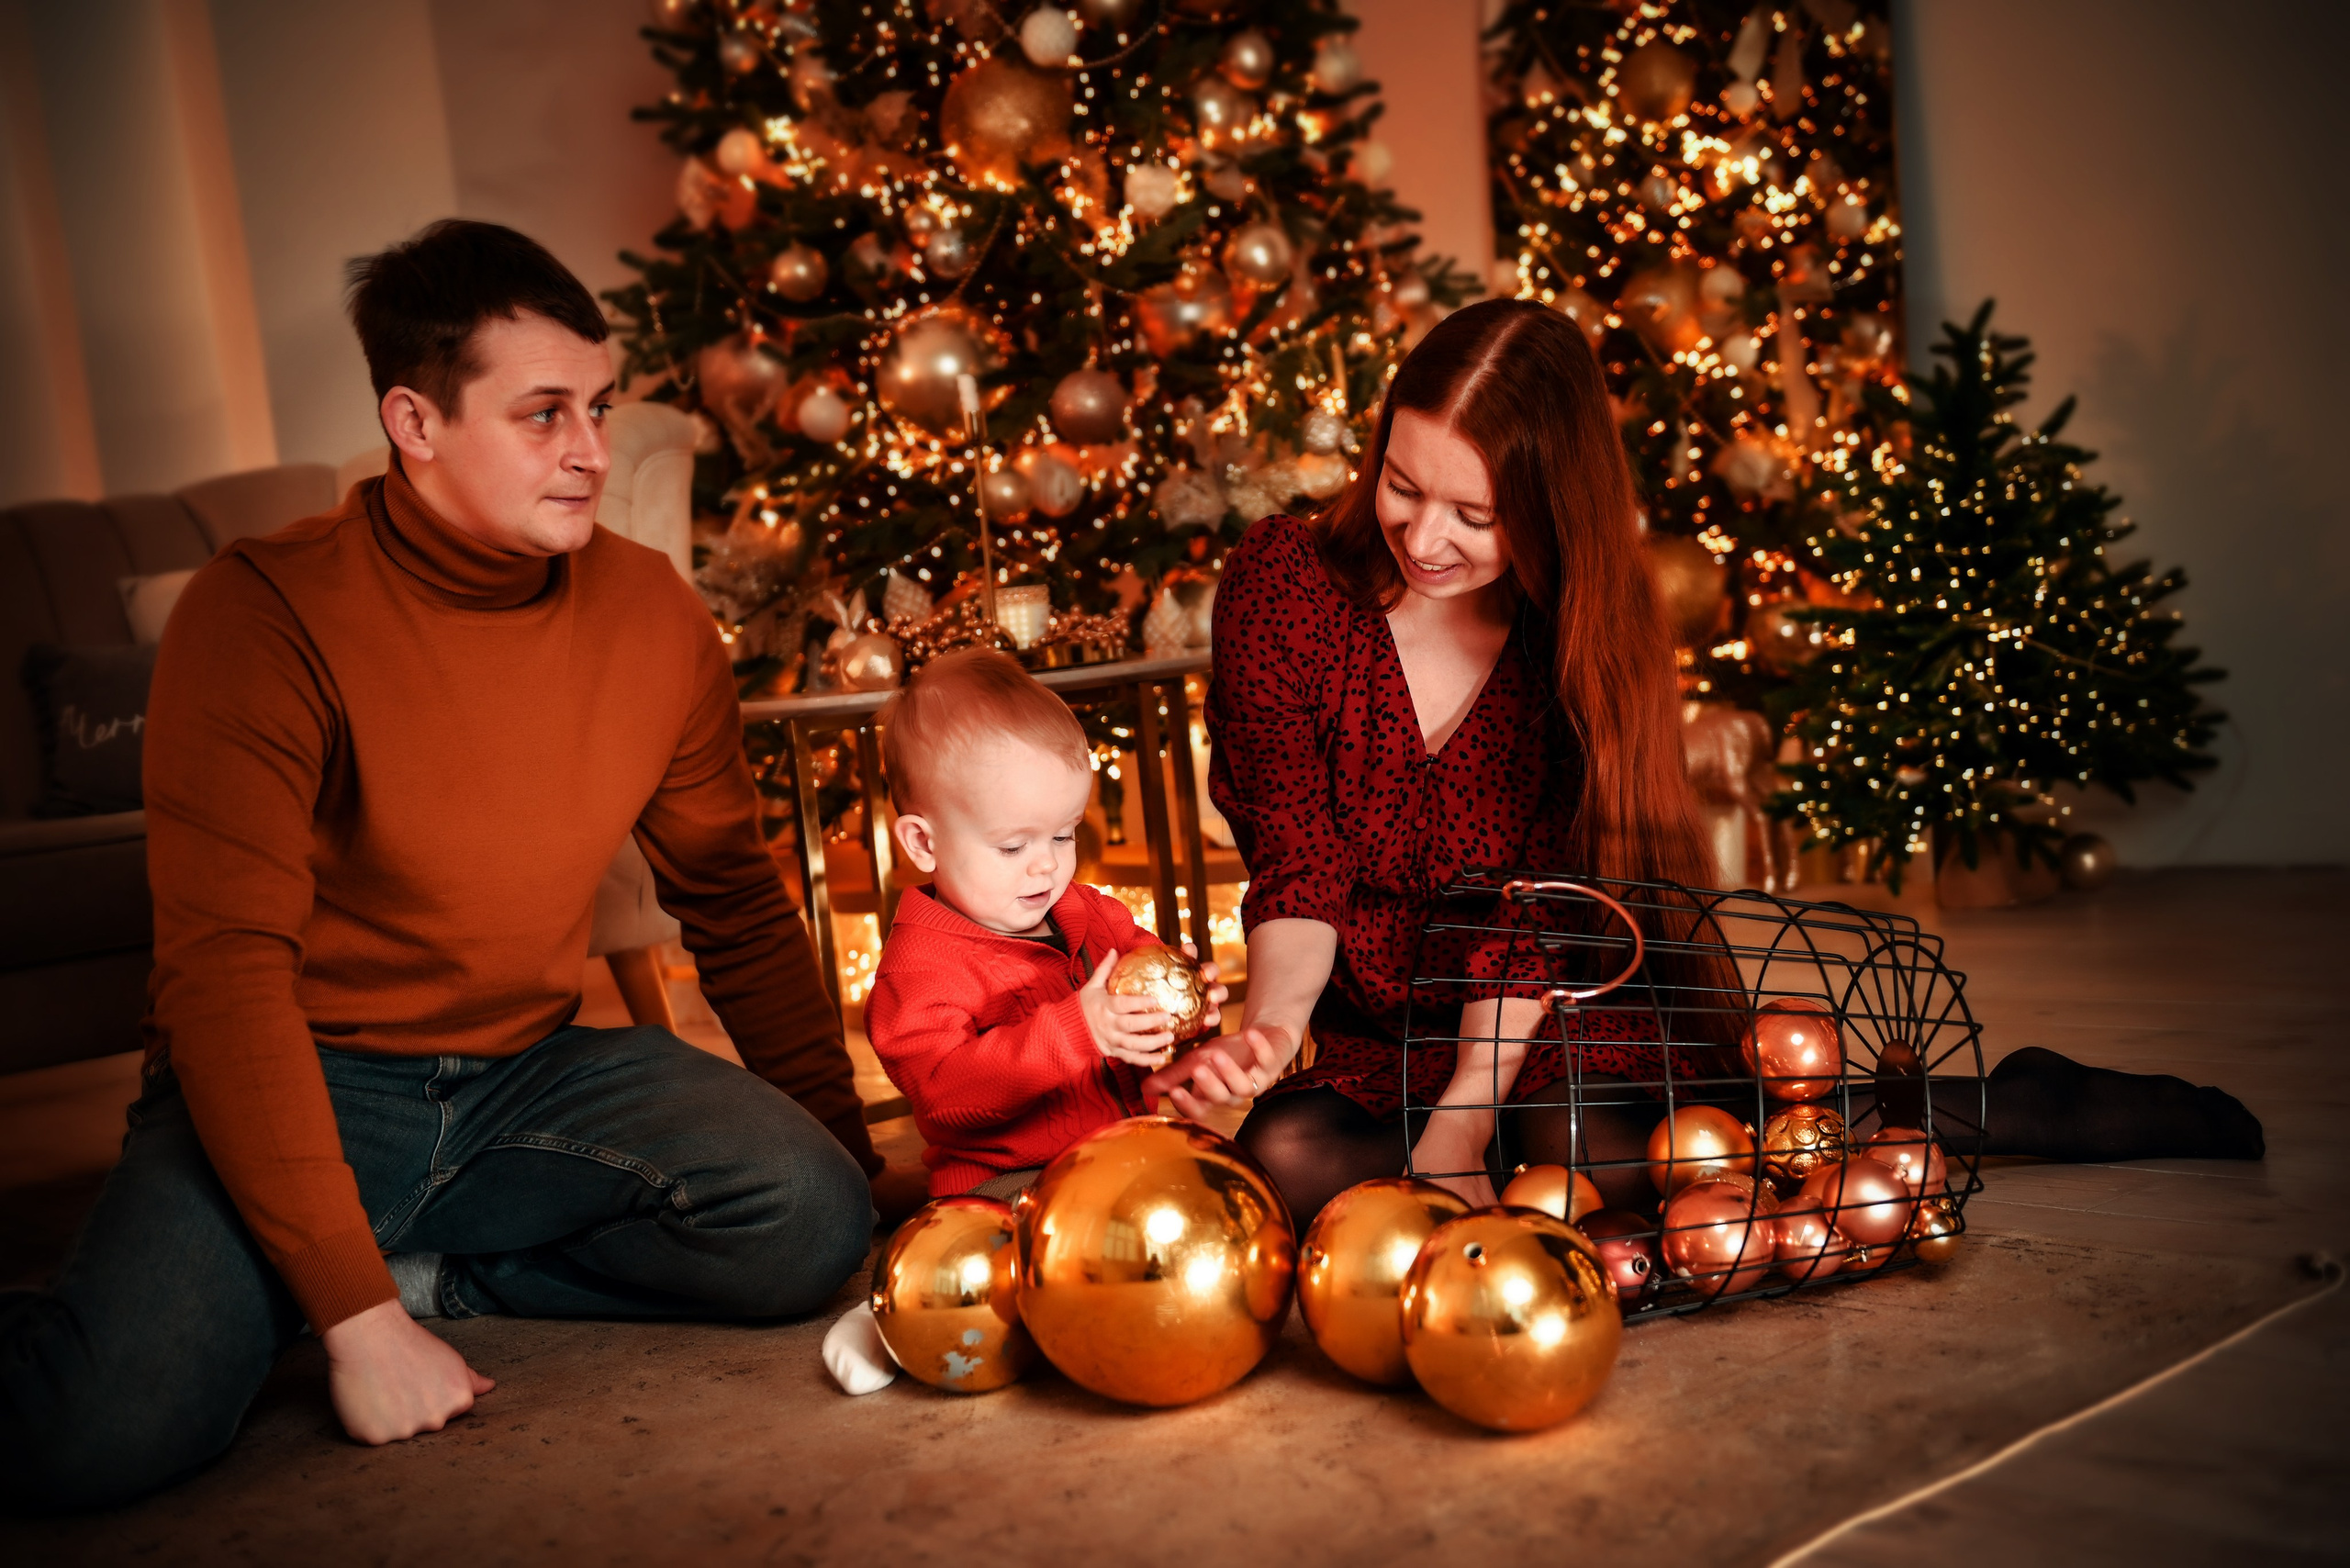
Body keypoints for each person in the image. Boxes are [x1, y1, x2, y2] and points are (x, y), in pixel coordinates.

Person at [0, 220, 915, 1513]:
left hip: (532, 1076)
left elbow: (734, 901)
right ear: (415, 424)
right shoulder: (259, 615)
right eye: (543, 415)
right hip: (304, 1073)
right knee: (99, 1430)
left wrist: (855, 1180)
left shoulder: (654, 612)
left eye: (598, 407)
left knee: (806, 1223)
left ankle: (431, 1274)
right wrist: (356, 1323)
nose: (592, 451)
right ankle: (319, 1271)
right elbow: (223, 980)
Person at [1141, 297, 2265, 1227]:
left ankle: (1994, 1107)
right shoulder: (1285, 581)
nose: (1425, 537)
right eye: (1402, 484)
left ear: (1547, 510)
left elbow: (1539, 914)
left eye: (1474, 514)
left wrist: (1463, 1122)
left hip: (1548, 999)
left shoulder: (1576, 638)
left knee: (1598, 1149)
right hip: (1378, 1021)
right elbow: (1296, 848)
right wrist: (1277, 1026)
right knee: (1287, 1159)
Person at [863, 649, 1225, 1202]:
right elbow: (946, 1093)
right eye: (1013, 845)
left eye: (1064, 835)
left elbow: (1143, 979)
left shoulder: (1093, 915)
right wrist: (1076, 1030)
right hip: (1007, 1184)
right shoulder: (919, 969)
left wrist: (1186, 1005)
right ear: (923, 843)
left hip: (1124, 1150)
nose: (1046, 865)